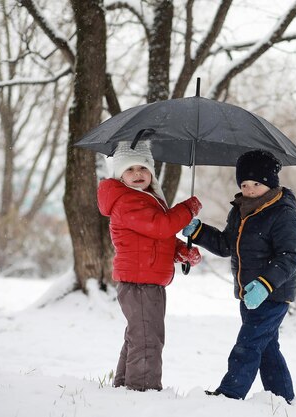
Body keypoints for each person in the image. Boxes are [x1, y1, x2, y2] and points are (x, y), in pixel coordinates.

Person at [183, 149, 296, 403]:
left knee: (247, 345)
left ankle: (229, 395)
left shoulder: (282, 212)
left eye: (256, 184)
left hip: (272, 293)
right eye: (244, 184)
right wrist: (199, 232)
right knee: (267, 347)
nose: (249, 189)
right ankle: (282, 398)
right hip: (247, 293)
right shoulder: (240, 210)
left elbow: (290, 256)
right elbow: (227, 245)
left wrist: (265, 284)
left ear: (270, 183)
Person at [97, 140, 203, 391]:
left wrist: (180, 251)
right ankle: (142, 392)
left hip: (146, 280)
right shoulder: (126, 201)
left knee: (139, 336)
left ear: (151, 173)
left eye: (143, 169)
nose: (137, 174)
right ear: (120, 174)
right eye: (130, 169)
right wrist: (187, 209)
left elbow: (159, 236)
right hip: (139, 281)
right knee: (147, 340)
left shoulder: (146, 199)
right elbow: (161, 226)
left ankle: (125, 386)